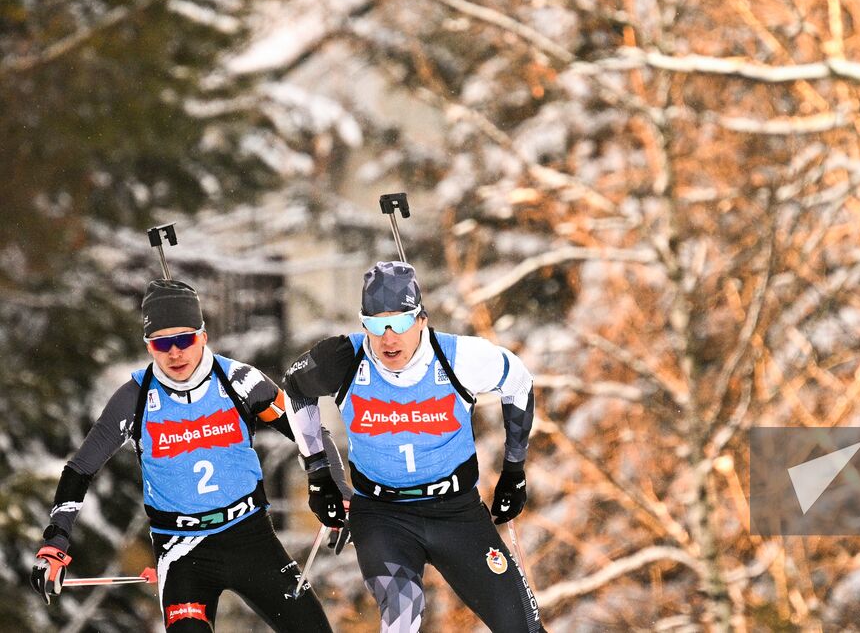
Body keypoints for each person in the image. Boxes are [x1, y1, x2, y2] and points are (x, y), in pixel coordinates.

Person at [31, 279, 340, 632]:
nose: (175, 353)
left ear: (203, 336)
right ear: (149, 347)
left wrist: (334, 487)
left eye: (184, 339)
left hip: (251, 539)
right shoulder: (134, 398)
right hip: (182, 551)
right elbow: (79, 469)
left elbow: (312, 434)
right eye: (162, 343)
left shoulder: (240, 381)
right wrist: (55, 541)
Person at [283, 260, 543, 633]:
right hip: (382, 515)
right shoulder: (342, 359)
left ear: (421, 319)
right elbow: (296, 388)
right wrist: (318, 472)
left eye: (401, 322)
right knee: (403, 614)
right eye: (375, 324)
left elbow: (518, 381)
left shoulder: (460, 358)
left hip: (457, 514)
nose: (389, 337)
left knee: (523, 627)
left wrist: (514, 470)